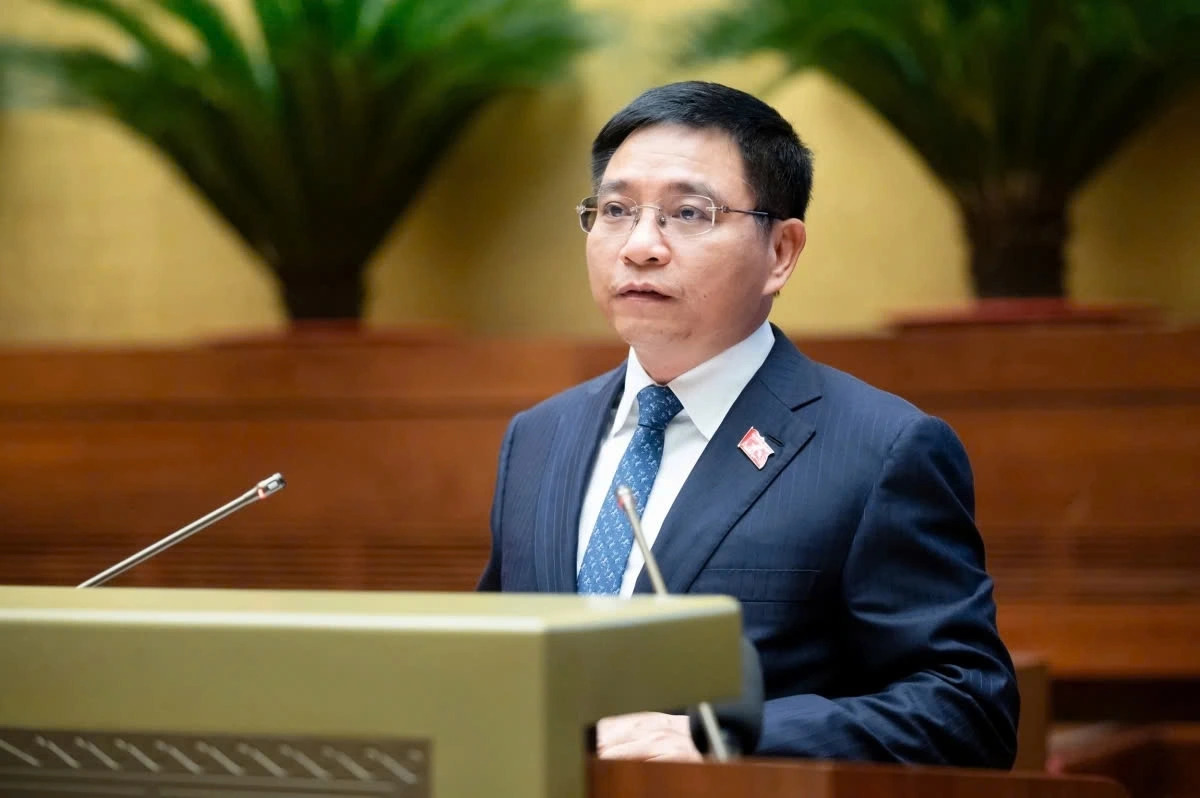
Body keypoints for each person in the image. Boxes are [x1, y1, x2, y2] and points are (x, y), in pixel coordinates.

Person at [476, 80, 1019, 768]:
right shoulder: (538, 437)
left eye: (688, 213)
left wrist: (725, 739)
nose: (640, 246)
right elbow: (491, 667)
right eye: (615, 210)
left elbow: (967, 709)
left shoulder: (879, 450)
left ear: (781, 251)